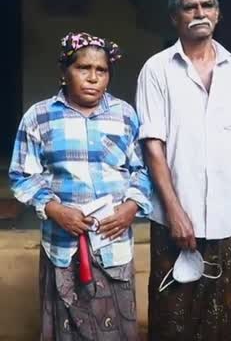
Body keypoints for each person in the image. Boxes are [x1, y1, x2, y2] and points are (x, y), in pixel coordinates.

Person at [136, 0, 231, 340]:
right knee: (172, 320)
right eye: (189, 6)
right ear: (174, 16)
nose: (199, 13)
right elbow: (153, 146)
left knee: (225, 319)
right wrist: (176, 213)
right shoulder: (157, 70)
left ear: (218, 12)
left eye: (206, 4)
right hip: (175, 221)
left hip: (230, 219)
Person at [9, 32, 152, 341]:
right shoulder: (39, 117)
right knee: (66, 330)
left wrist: (130, 208)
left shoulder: (125, 116)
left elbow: (144, 170)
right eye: (83, 68)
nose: (93, 78)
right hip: (62, 245)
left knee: (117, 326)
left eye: (101, 71)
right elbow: (22, 175)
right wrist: (55, 209)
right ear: (64, 72)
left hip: (112, 243)